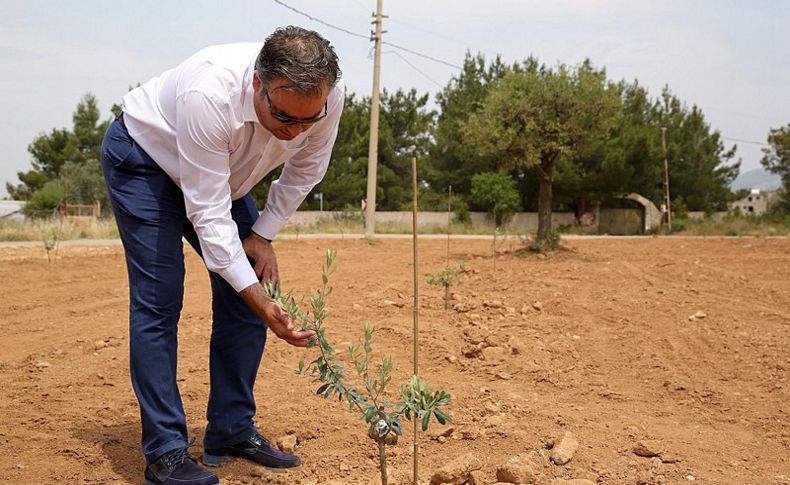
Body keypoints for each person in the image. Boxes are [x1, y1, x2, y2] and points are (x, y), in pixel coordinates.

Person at [100, 26, 343, 485]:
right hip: (147, 159)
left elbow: (308, 167)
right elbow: (208, 214)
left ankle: (230, 430)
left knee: (248, 289)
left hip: (224, 172)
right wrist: (258, 297)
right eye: (284, 117)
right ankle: (166, 453)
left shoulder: (325, 96)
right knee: (160, 300)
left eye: (307, 121)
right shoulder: (208, 93)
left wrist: (263, 234)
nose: (295, 131)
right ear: (258, 83)